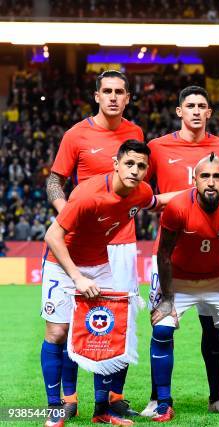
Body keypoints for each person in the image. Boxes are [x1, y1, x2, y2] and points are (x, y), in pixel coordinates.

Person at [142, 85, 219, 418]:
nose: (195, 111)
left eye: (202, 106)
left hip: (215, 263)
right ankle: (157, 398)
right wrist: (163, 202)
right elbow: (142, 190)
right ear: (179, 111)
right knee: (161, 326)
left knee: (214, 329)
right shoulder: (157, 147)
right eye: (189, 105)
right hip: (171, 257)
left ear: (209, 113)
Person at [40, 141, 171, 426]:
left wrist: (195, 191)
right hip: (63, 265)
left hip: (100, 264)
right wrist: (77, 277)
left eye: (141, 166)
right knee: (58, 332)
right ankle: (55, 407)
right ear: (116, 163)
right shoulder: (88, 194)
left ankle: (102, 410)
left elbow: (157, 203)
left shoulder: (142, 191)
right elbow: (53, 236)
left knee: (107, 333)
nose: (135, 171)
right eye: (129, 164)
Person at [45, 70, 143, 419]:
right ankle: (67, 402)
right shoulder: (77, 134)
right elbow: (55, 182)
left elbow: (142, 193)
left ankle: (112, 399)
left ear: (128, 97)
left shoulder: (135, 134)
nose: (114, 97)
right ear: (97, 96)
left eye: (120, 92)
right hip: (79, 241)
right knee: (68, 325)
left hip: (122, 243)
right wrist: (70, 216)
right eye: (107, 91)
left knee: (117, 323)